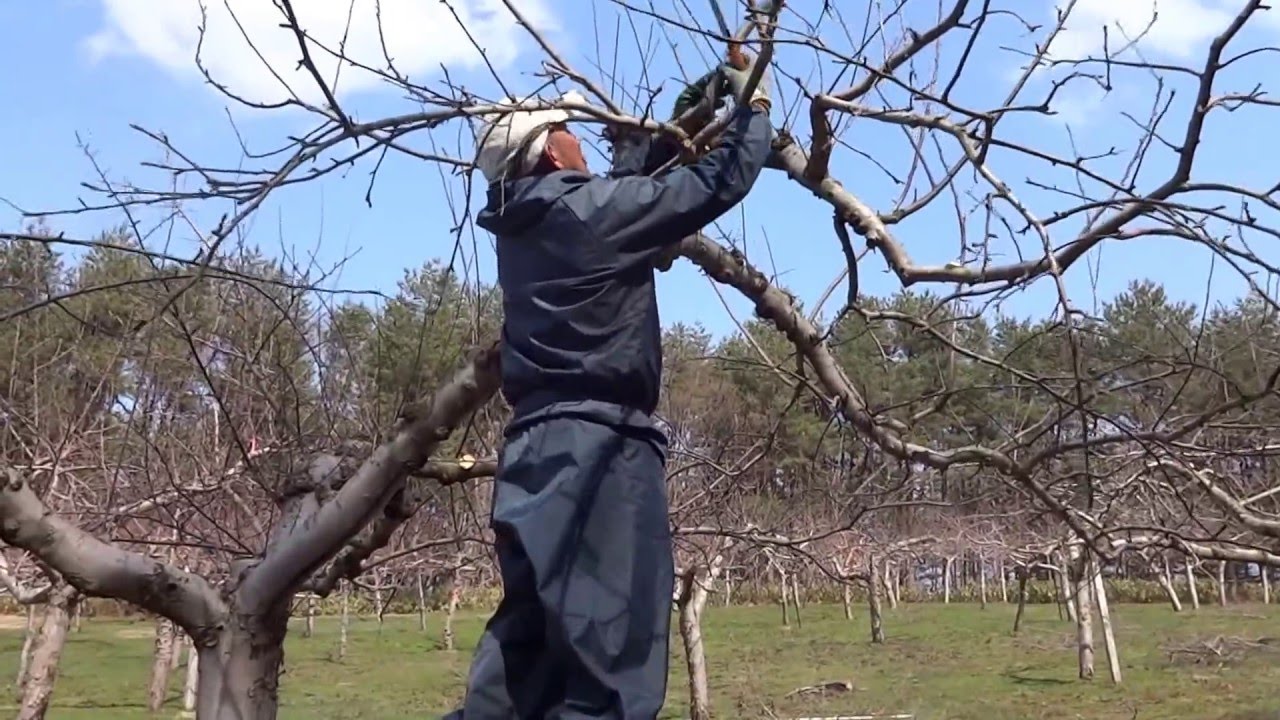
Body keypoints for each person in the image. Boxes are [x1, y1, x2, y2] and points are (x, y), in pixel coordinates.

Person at [445, 54, 773, 720]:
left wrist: (694, 110)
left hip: (534, 455)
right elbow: (716, 182)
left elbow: (632, 184)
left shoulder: (526, 223)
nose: (579, 136)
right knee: (611, 665)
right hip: (602, 452)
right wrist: (753, 111)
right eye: (567, 128)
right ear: (550, 153)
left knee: (524, 660)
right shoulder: (589, 212)